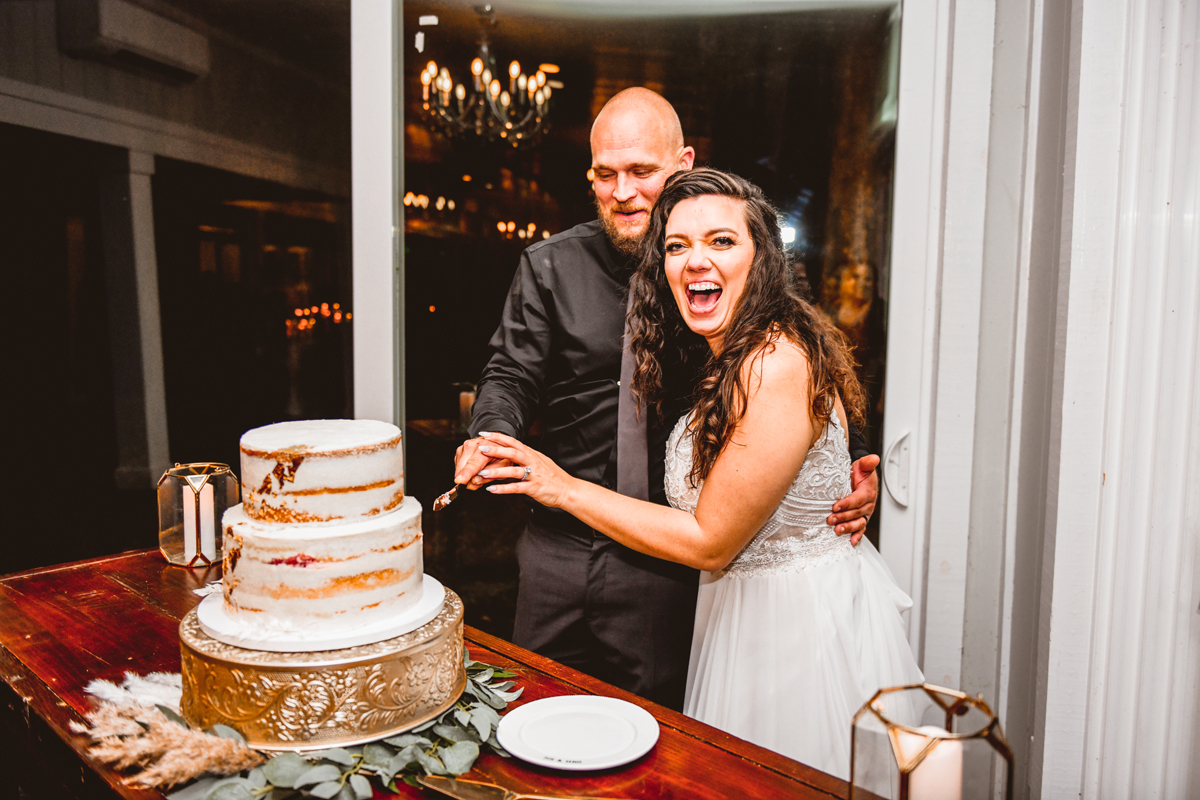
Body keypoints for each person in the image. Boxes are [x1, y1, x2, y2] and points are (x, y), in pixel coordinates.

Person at [472, 169, 922, 778]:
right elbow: (511, 370)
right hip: (736, 613)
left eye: (721, 242)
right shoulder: (724, 348)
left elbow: (712, 539)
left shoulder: (773, 362)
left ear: (762, 257)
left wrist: (560, 485)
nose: (693, 260)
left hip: (796, 633)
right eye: (677, 247)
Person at [454, 89, 881, 711]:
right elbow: (511, 373)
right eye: (606, 174)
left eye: (641, 173)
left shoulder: (729, 270)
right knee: (532, 713)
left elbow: (804, 362)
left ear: (682, 165)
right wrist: (491, 434)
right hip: (560, 543)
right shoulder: (549, 266)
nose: (622, 191)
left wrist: (852, 459)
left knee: (661, 731)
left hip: (671, 555)